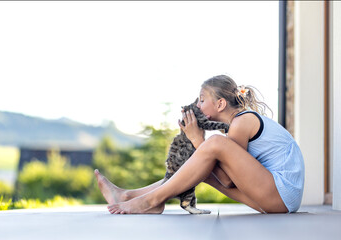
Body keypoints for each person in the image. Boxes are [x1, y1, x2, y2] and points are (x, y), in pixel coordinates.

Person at [94, 74, 305, 214]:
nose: (197, 105)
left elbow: (228, 181)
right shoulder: (238, 124)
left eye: (202, 99)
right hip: (274, 199)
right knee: (200, 166)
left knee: (214, 145)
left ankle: (149, 201)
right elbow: (221, 176)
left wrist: (197, 139)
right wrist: (199, 148)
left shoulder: (242, 121)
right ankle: (130, 196)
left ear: (220, 104)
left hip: (280, 193)